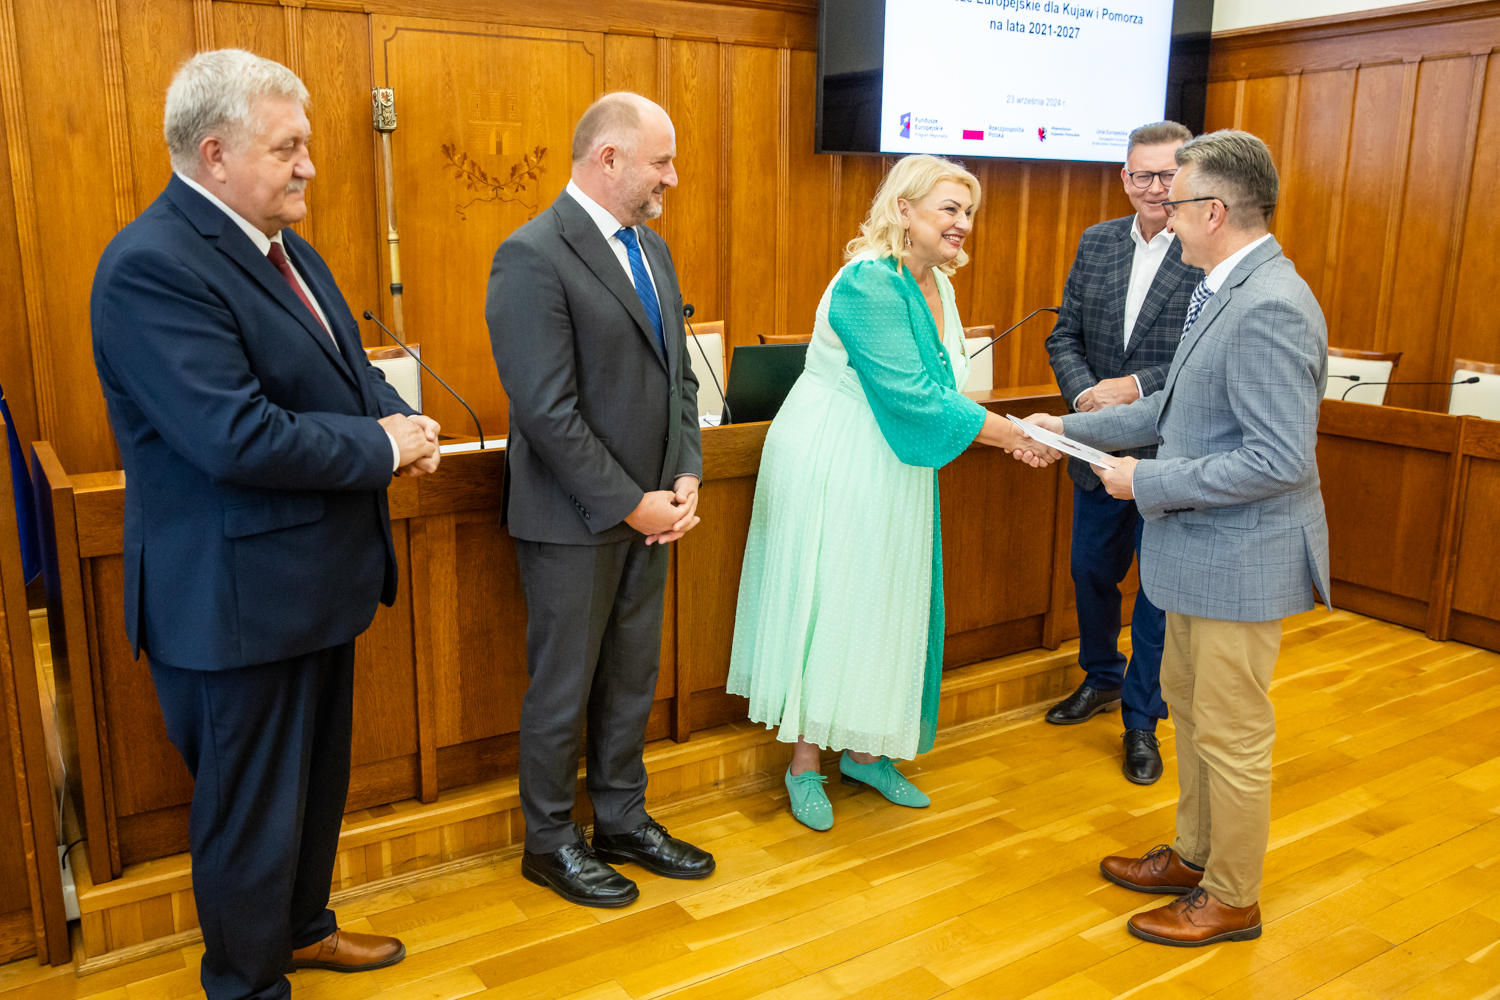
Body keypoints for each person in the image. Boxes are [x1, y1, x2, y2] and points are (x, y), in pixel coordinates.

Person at [91, 49, 437, 1000]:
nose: (308, 166)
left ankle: (302, 929)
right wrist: (380, 448)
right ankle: (247, 984)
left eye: (305, 145)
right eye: (287, 148)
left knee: (312, 790)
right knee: (249, 816)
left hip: (313, 587)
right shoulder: (151, 268)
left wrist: (399, 423)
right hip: (234, 605)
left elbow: (345, 374)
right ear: (214, 154)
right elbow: (234, 435)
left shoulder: (286, 248)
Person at [1019, 129, 1330, 946]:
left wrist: (1144, 482)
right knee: (1192, 716)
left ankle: (1232, 897)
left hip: (1239, 560)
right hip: (1198, 553)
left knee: (1232, 735)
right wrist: (1065, 427)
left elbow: (1278, 460)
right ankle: (1195, 855)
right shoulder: (1223, 286)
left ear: (1214, 211)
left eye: (1178, 199)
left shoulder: (1268, 304)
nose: (1164, 210)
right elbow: (1170, 408)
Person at [728, 154, 1058, 832]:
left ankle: (865, 751)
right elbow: (914, 395)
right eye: (949, 208)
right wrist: (1013, 436)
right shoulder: (868, 284)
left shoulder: (938, 282)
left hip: (895, 458)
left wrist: (1007, 433)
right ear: (903, 209)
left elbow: (940, 390)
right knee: (831, 597)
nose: (963, 223)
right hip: (838, 456)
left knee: (884, 600)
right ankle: (805, 764)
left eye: (969, 212)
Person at [486, 92, 713, 909]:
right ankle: (550, 843)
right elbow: (547, 412)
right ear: (608, 158)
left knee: (629, 679)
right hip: (573, 522)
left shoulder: (652, 249)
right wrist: (628, 502)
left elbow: (680, 378)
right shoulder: (531, 255)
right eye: (661, 161)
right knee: (564, 690)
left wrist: (685, 471)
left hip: (653, 514)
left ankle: (621, 820)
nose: (672, 177)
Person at [1042, 121, 1203, 786]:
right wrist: (1088, 401)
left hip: (1167, 456)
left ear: (1188, 179)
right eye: (1143, 174)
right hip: (1097, 451)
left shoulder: (1204, 247)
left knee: (1157, 596)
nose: (1155, 187)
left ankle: (1142, 720)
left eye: (1168, 175)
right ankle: (1101, 676)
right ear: (1124, 178)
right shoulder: (1098, 241)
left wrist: (1132, 388)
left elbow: (1201, 354)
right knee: (1090, 572)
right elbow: (1064, 336)